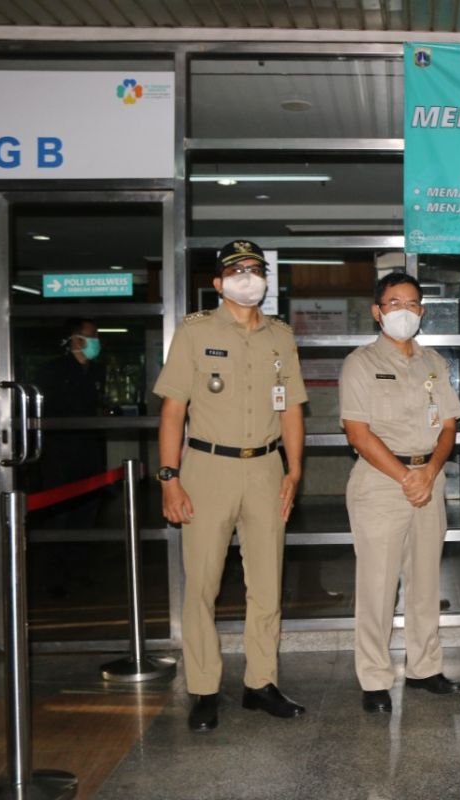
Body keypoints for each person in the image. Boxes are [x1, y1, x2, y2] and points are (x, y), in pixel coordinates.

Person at [153, 239, 307, 731]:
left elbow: (290, 409)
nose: (248, 277)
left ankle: (260, 683)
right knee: (202, 585)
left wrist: (295, 470)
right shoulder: (195, 332)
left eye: (256, 269)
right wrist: (169, 478)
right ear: (217, 283)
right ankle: (203, 689)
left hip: (265, 469)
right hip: (206, 468)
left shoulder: (280, 337)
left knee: (267, 585)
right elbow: (173, 409)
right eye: (236, 270)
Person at [339, 272, 460, 714]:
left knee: (425, 581)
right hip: (380, 483)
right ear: (378, 312)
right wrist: (405, 476)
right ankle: (374, 678)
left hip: (428, 479)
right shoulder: (359, 363)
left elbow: (449, 425)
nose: (404, 312)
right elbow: (358, 432)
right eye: (394, 304)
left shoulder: (434, 363)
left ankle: (424, 668)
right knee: (376, 584)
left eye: (412, 304)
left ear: (422, 312)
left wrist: (429, 471)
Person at [32, 318, 107, 597]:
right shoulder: (52, 372)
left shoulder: (97, 371)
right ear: (76, 340)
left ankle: (79, 571)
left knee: (86, 516)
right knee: (60, 517)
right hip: (60, 455)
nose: (97, 341)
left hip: (90, 453)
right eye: (92, 336)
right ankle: (54, 577)